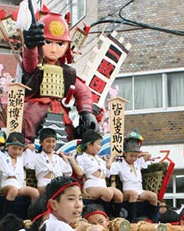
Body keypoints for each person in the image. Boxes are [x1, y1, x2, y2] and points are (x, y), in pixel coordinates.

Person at [21, 11, 96, 143]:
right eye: (48, 42)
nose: (54, 49)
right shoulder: (36, 66)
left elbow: (83, 92)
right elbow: (29, 59)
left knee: (67, 134)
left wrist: (86, 112)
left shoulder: (68, 72)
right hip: (36, 108)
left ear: (67, 45)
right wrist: (30, 46)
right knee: (29, 123)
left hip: (60, 111)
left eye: (60, 44)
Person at [108, 131, 158, 222]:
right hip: (128, 189)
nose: (133, 158)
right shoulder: (120, 164)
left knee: (153, 196)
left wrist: (137, 154)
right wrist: (112, 157)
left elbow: (148, 155)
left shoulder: (137, 162)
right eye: (131, 156)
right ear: (125, 154)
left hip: (140, 189)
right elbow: (109, 167)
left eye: (135, 156)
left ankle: (153, 218)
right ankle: (132, 219)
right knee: (133, 193)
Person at [76, 129, 124, 218]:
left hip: (102, 184)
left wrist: (109, 160)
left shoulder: (100, 159)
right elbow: (80, 172)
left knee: (119, 194)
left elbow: (107, 173)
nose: (100, 147)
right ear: (89, 145)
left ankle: (115, 217)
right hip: (91, 185)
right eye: (98, 144)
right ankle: (106, 216)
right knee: (108, 193)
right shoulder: (81, 158)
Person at [0, 131, 39, 216]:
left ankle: (33, 216)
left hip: (19, 185)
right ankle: (6, 216)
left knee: (35, 192)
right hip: (6, 185)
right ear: (7, 146)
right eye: (14, 148)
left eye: (20, 149)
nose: (17, 151)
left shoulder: (22, 158)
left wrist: (28, 147)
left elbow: (32, 148)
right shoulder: (2, 155)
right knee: (13, 190)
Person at [24, 127, 83, 195]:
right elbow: (28, 165)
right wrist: (29, 150)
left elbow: (68, 172)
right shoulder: (36, 157)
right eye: (48, 141)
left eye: (53, 141)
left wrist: (65, 158)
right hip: (44, 185)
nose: (51, 144)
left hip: (58, 185)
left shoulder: (58, 158)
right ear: (41, 142)